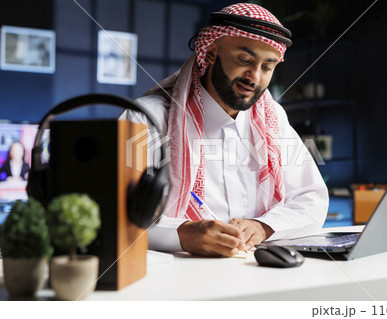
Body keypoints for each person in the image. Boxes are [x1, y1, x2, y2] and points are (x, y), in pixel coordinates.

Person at [122, 3, 328, 257]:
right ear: (210, 52)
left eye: (267, 67)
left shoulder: (273, 119)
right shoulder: (148, 117)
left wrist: (263, 226)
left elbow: (312, 199)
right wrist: (182, 235)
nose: (254, 77)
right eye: (244, 60)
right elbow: (117, 213)